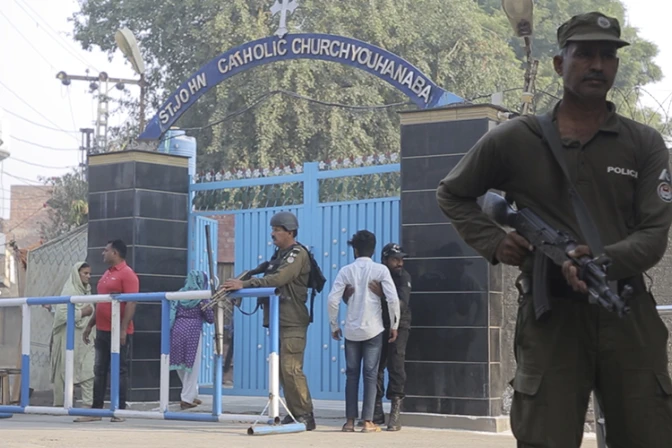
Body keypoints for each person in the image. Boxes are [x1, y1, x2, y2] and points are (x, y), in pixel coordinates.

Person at [435, 11, 672, 447]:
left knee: (649, 435)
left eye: (607, 56)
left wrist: (600, 262)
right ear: (560, 63)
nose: (597, 65)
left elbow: (654, 234)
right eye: (584, 55)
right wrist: (495, 241)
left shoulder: (643, 143)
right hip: (551, 318)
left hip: (626, 312)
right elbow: (452, 193)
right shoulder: (515, 138)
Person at [221, 211, 316, 430]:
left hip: (292, 320)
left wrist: (245, 285)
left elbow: (279, 278)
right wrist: (238, 285)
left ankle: (305, 415)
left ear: (290, 232)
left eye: (277, 230)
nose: (273, 234)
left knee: (291, 368)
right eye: (273, 229)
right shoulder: (278, 256)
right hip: (277, 320)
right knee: (281, 370)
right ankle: (294, 413)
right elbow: (266, 274)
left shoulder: (296, 254)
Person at [327, 230, 400, 433]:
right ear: (373, 250)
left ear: (355, 250)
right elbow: (393, 299)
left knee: (351, 375)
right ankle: (368, 422)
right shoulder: (380, 270)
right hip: (374, 330)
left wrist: (334, 325)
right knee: (370, 374)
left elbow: (332, 300)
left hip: (351, 331)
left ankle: (349, 422)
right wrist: (394, 325)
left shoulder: (346, 271)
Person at [80, 239, 139, 423]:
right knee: (99, 369)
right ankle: (96, 410)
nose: (103, 253)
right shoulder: (107, 273)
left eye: (106, 250)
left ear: (115, 253)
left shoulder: (128, 274)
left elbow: (131, 302)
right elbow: (101, 302)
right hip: (102, 330)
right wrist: (90, 324)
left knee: (119, 370)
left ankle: (119, 410)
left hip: (118, 331)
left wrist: (123, 330)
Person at [50, 262, 95, 420]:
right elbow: (62, 315)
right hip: (69, 339)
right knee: (65, 370)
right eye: (85, 273)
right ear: (77, 274)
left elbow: (92, 312)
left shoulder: (87, 292)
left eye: (90, 273)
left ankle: (88, 406)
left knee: (88, 370)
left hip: (85, 338)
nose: (88, 276)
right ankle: (62, 405)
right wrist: (82, 312)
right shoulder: (69, 291)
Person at [170, 270, 214, 410]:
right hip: (193, 332)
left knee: (180, 364)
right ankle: (186, 399)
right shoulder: (201, 297)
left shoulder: (179, 294)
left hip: (177, 329)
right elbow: (210, 318)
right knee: (192, 366)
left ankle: (191, 394)